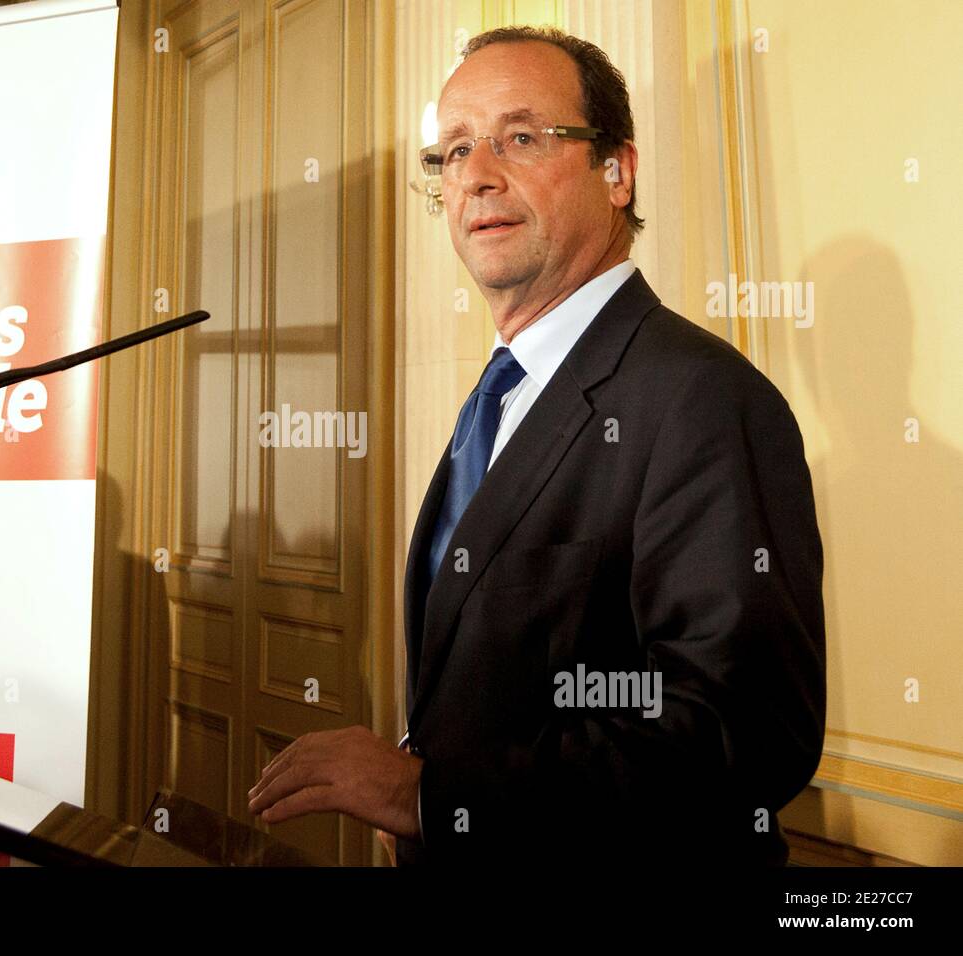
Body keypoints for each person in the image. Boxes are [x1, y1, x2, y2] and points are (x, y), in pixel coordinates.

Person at [247, 25, 824, 865]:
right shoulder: (505, 392)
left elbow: (741, 730)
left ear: (616, 170)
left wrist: (434, 796)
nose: (476, 175)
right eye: (452, 151)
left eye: (520, 137)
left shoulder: (703, 399)